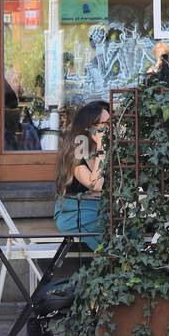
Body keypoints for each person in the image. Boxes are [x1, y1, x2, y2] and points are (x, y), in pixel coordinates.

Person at [55, 100, 111, 250]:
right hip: (75, 214)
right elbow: (96, 185)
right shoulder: (77, 152)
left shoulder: (111, 151)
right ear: (90, 128)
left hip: (100, 212)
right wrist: (102, 147)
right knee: (110, 229)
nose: (111, 128)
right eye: (105, 124)